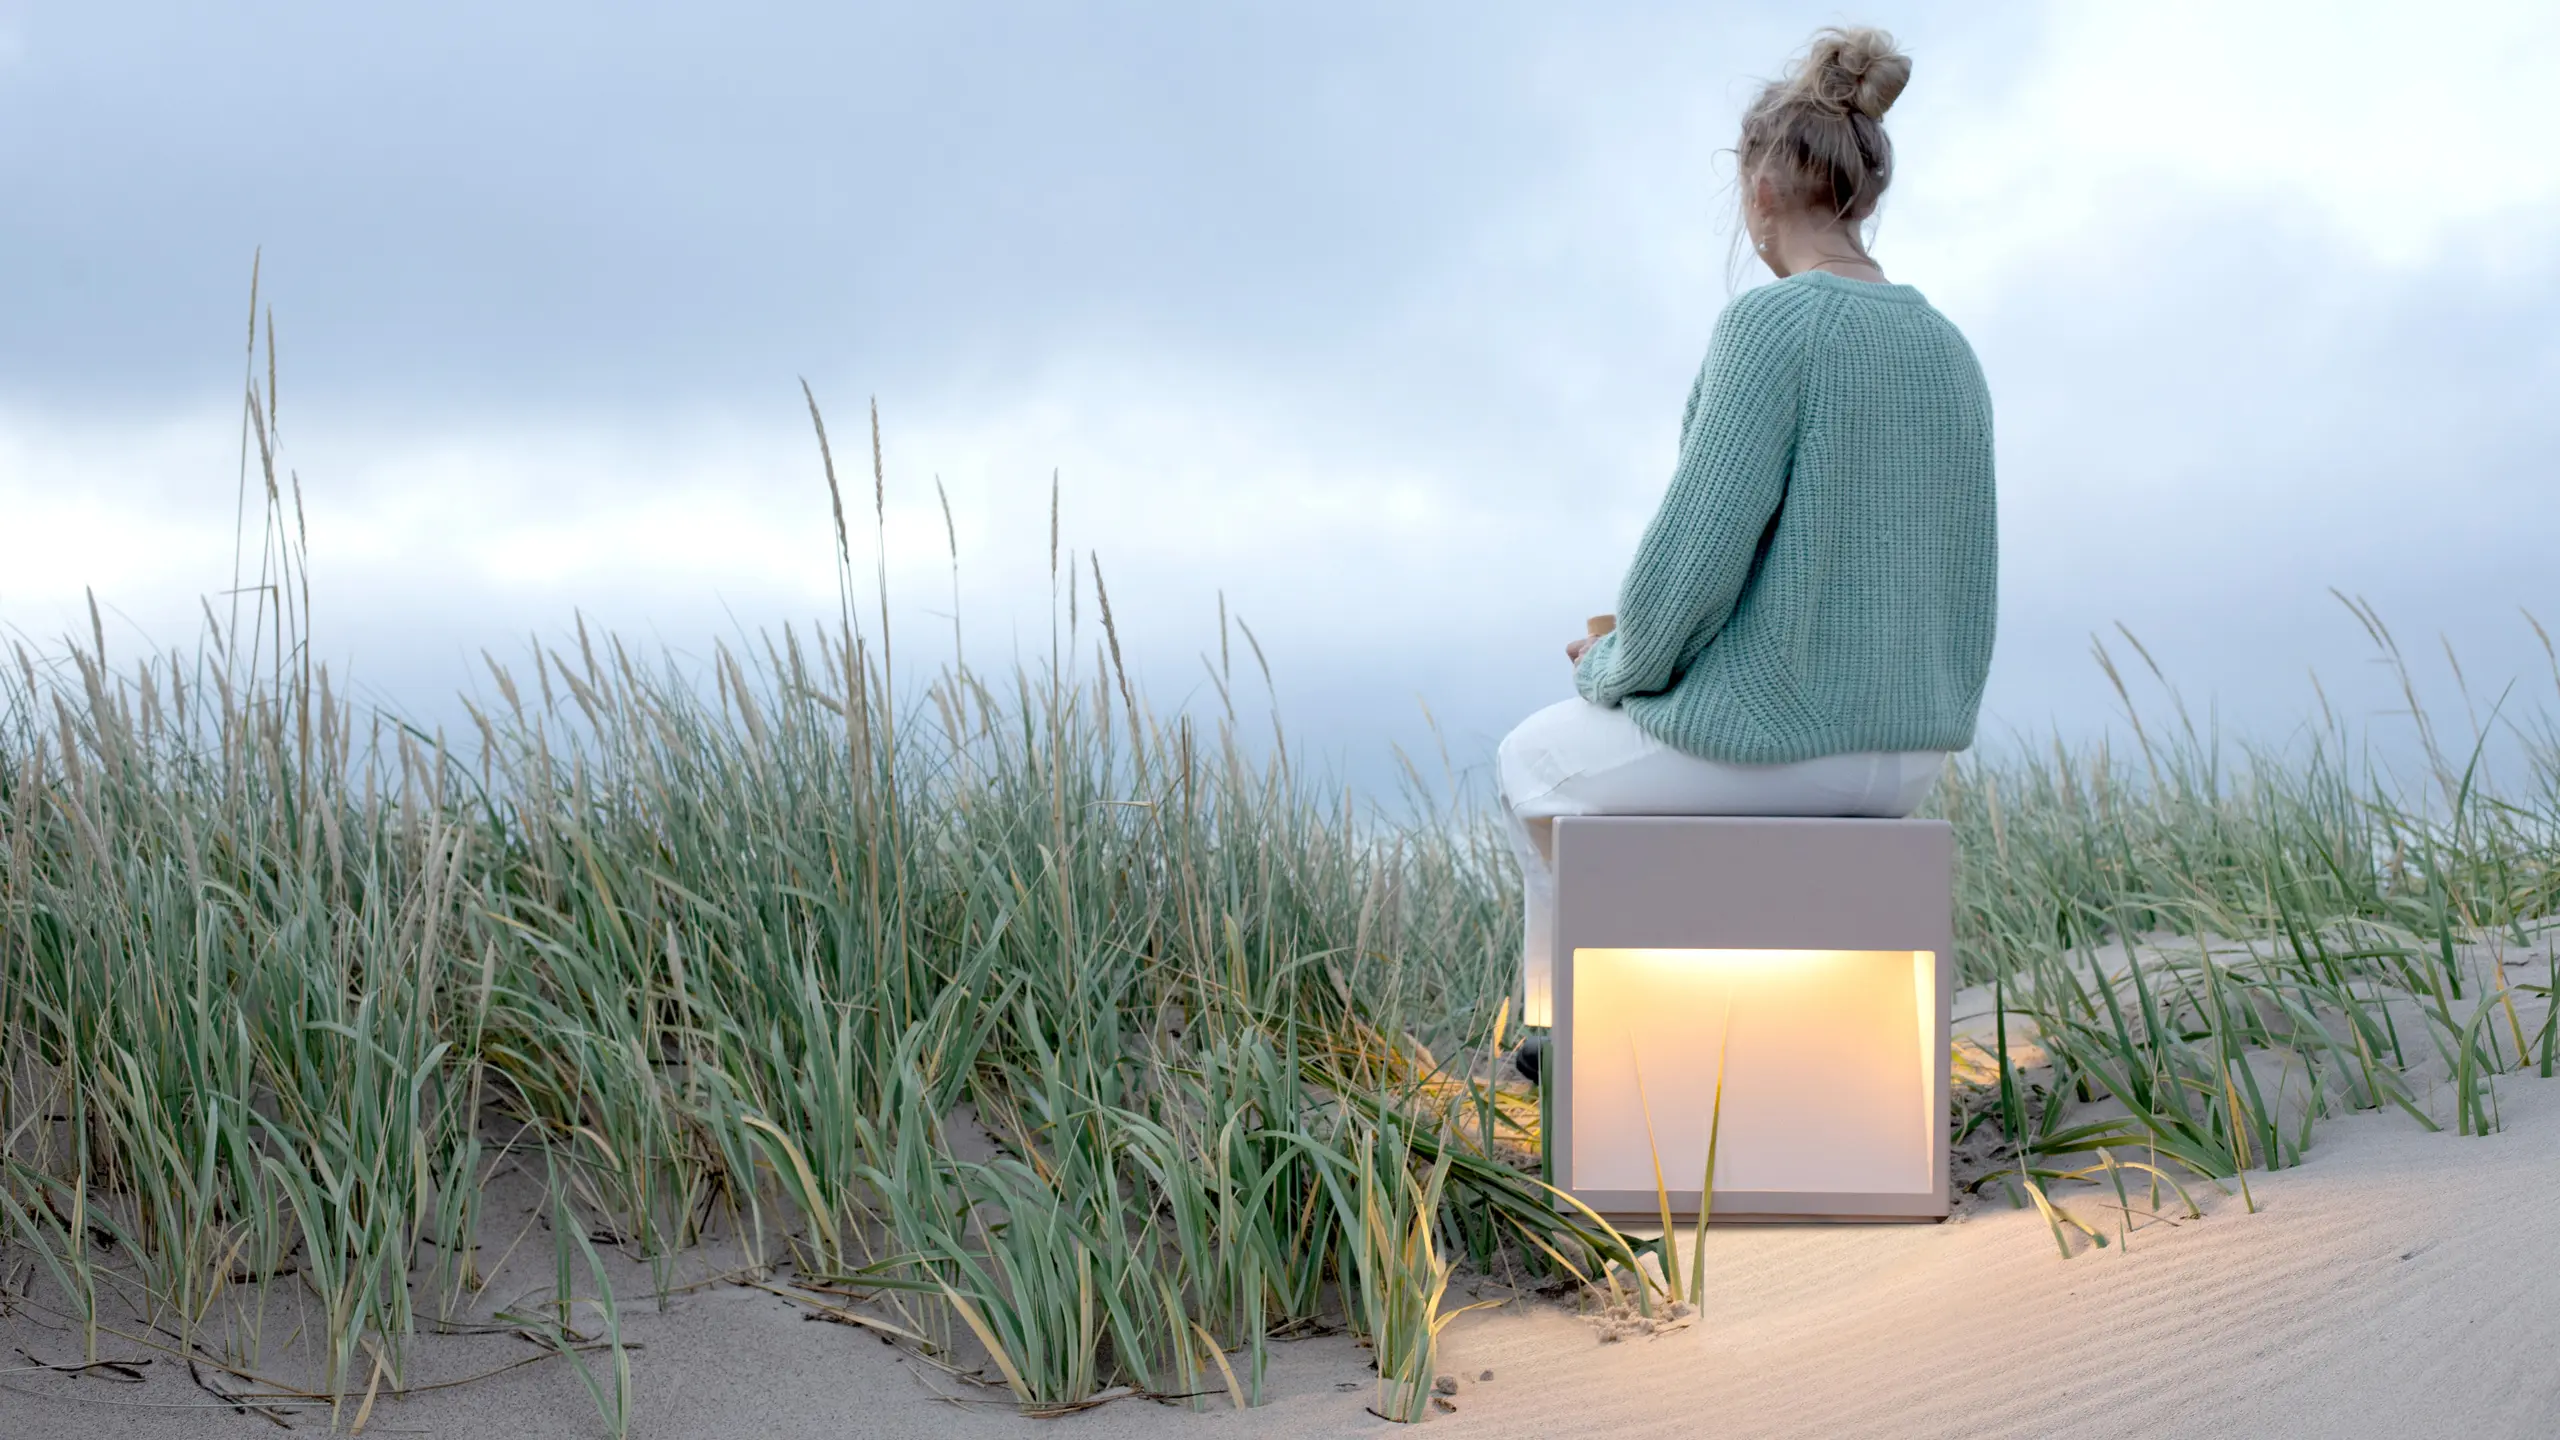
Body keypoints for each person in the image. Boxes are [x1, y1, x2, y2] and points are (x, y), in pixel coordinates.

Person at [1501, 26, 1997, 1033]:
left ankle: (1562, 1043)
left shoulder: (1771, 326)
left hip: (1783, 739)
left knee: (1533, 763)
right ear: (1861, 193)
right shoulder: (1950, 349)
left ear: (1759, 189)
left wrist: (1611, 665)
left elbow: (1692, 568)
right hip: (1907, 752)